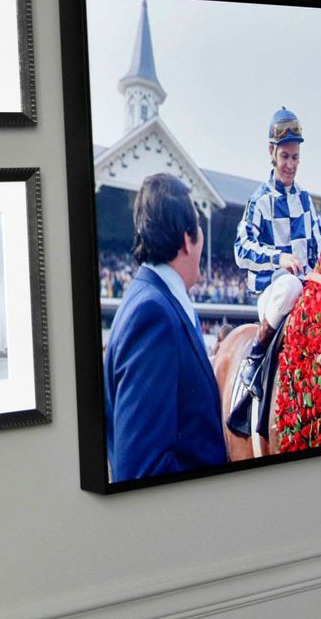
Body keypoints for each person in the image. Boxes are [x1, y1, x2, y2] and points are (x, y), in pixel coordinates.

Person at [105, 173, 228, 482]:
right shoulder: (153, 314)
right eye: (199, 226)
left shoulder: (156, 300)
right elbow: (141, 471)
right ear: (188, 238)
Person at [226, 107, 321, 435]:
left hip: (304, 292)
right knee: (290, 287)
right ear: (271, 153)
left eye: (296, 158)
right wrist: (279, 259)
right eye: (285, 156)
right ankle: (256, 357)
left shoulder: (305, 200)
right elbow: (241, 250)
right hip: (272, 293)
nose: (290, 165)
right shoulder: (259, 201)